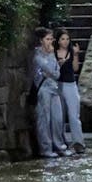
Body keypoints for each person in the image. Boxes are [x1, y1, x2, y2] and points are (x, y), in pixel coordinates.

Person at [31, 27, 69, 158]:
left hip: (54, 88)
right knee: (44, 119)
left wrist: (52, 62)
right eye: (47, 39)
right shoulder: (37, 55)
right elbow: (47, 68)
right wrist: (51, 70)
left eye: (51, 39)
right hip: (43, 89)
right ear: (41, 40)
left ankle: (59, 146)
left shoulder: (51, 53)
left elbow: (57, 73)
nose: (50, 42)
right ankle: (45, 148)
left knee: (58, 119)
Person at [54, 29, 85, 154]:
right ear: (58, 40)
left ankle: (78, 142)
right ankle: (60, 142)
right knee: (59, 116)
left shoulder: (72, 52)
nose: (65, 42)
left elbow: (76, 68)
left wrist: (76, 55)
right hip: (57, 84)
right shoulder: (54, 53)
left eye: (67, 39)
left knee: (73, 115)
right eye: (62, 39)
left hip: (70, 84)